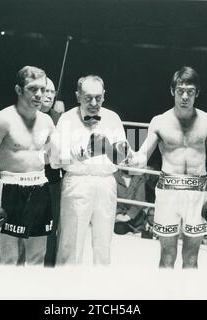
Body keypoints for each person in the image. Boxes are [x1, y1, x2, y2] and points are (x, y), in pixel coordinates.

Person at [128, 66, 207, 268]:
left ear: (197, 93)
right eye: (180, 91)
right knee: (167, 255)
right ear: (173, 91)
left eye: (190, 91)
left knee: (191, 258)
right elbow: (141, 157)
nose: (185, 96)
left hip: (198, 192)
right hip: (168, 192)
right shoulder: (159, 121)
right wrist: (124, 155)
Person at [0, 66, 55, 266]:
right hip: (11, 188)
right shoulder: (3, 119)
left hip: (40, 187)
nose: (39, 94)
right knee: (9, 259)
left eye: (43, 89)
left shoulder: (47, 122)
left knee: (37, 257)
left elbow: (52, 159)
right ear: (19, 90)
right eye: (33, 89)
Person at [51, 74, 130, 265]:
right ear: (78, 96)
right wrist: (83, 152)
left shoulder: (112, 118)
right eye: (88, 98)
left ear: (104, 95)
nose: (94, 102)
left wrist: (109, 147)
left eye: (98, 97)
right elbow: (54, 159)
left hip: (105, 182)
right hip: (77, 182)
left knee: (104, 242)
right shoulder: (66, 119)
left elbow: (123, 156)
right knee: (70, 242)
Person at [40, 77, 63, 267]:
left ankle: (48, 271)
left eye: (52, 92)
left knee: (51, 230)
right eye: (45, 90)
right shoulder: (25, 116)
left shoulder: (61, 120)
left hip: (53, 182)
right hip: (27, 181)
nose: (48, 95)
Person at [113, 169, 146, 235]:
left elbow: (139, 199)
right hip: (117, 217)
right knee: (119, 229)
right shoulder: (114, 177)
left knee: (140, 230)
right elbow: (110, 198)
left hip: (135, 216)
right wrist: (117, 214)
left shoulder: (140, 178)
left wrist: (128, 216)